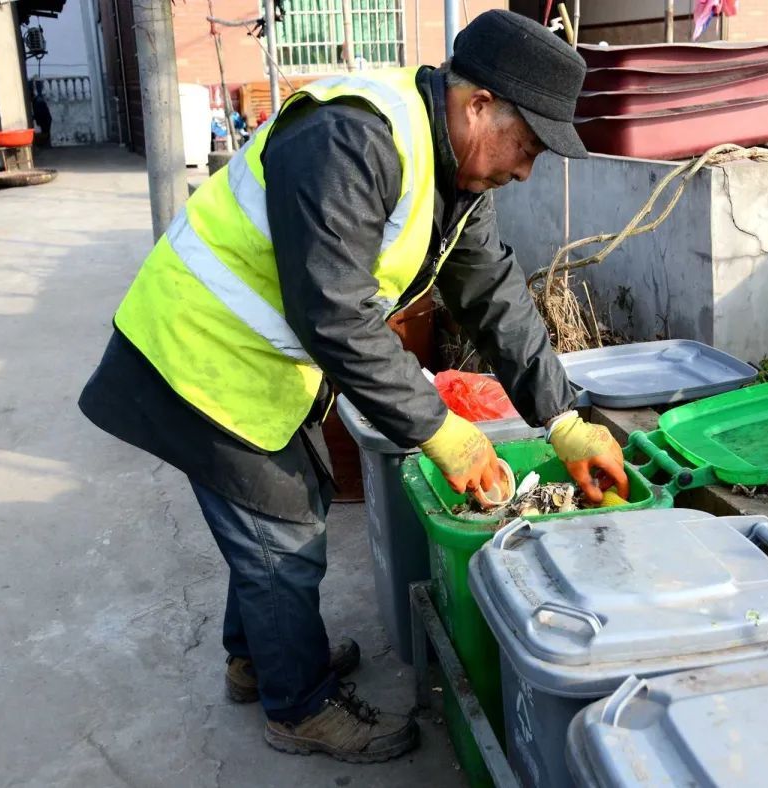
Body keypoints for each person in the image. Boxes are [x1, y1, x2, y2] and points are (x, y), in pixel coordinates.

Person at [79, 9, 628, 764]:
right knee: (283, 539)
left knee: (286, 510)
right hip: (195, 354)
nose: (526, 169)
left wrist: (562, 419)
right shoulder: (351, 136)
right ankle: (296, 707)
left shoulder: (455, 165)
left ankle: (258, 659)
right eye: (526, 146)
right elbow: (334, 312)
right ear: (477, 106)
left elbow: (490, 287)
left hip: (259, 359)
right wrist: (442, 432)